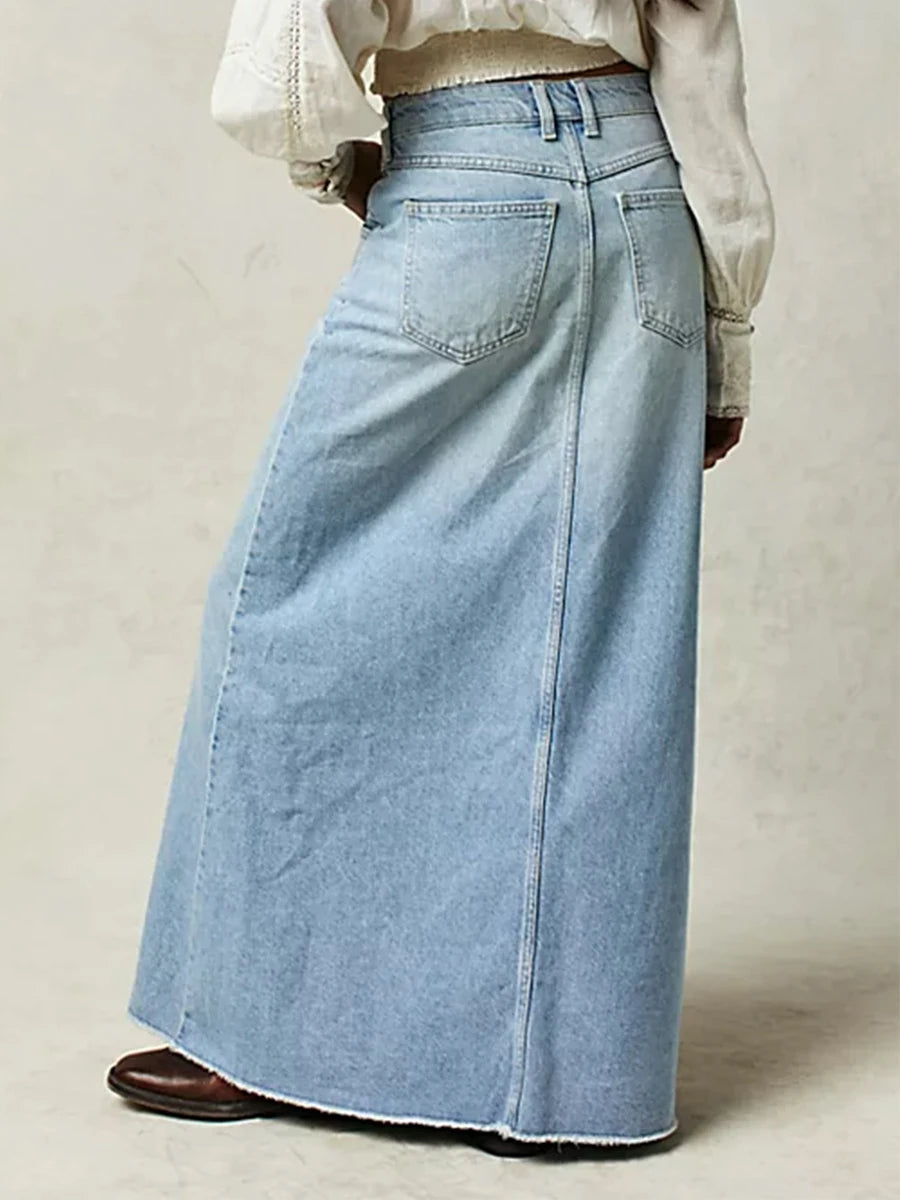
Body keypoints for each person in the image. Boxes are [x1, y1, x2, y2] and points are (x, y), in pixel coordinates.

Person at [106, 0, 774, 1160]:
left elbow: (284, 66)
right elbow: (699, 42)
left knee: (286, 598)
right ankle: (573, 1089)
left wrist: (334, 161)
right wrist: (728, 328)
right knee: (595, 646)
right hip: (647, 190)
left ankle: (250, 1029)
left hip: (470, 182)